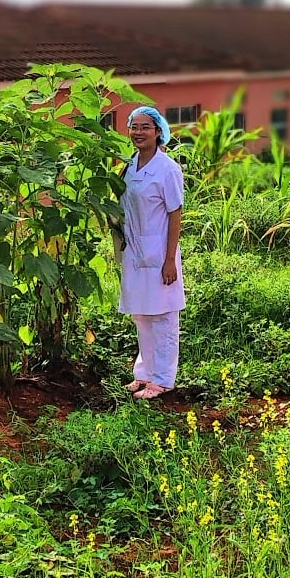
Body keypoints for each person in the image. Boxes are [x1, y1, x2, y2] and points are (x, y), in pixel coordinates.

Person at [119, 106, 186, 400]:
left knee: (164, 317)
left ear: (158, 132)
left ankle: (163, 379)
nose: (138, 132)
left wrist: (170, 259)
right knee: (142, 315)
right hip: (134, 250)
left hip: (159, 250)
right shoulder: (128, 166)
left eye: (145, 127)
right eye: (134, 126)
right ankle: (144, 374)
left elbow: (175, 213)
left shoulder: (167, 169)